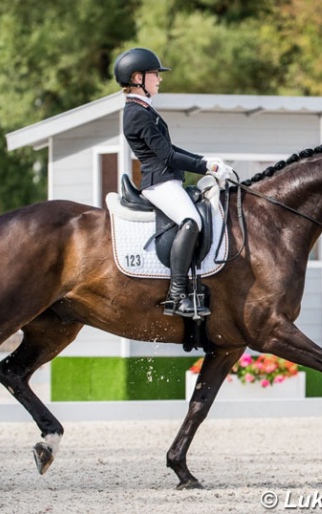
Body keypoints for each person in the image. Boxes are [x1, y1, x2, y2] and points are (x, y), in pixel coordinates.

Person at [114, 47, 234, 318]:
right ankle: (177, 295)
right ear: (137, 78)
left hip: (167, 180)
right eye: (154, 74)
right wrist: (206, 166)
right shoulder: (136, 113)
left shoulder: (144, 109)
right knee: (191, 221)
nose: (159, 79)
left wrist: (206, 160)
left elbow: (170, 147)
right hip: (159, 183)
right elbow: (167, 155)